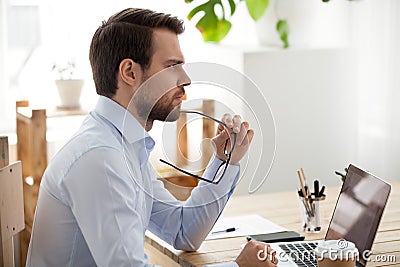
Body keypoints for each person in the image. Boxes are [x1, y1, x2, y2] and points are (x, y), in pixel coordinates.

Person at [26, 8, 278, 267]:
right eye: (173, 66)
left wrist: (226, 161)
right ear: (130, 73)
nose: (186, 79)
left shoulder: (124, 146)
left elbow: (183, 232)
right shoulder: (100, 158)